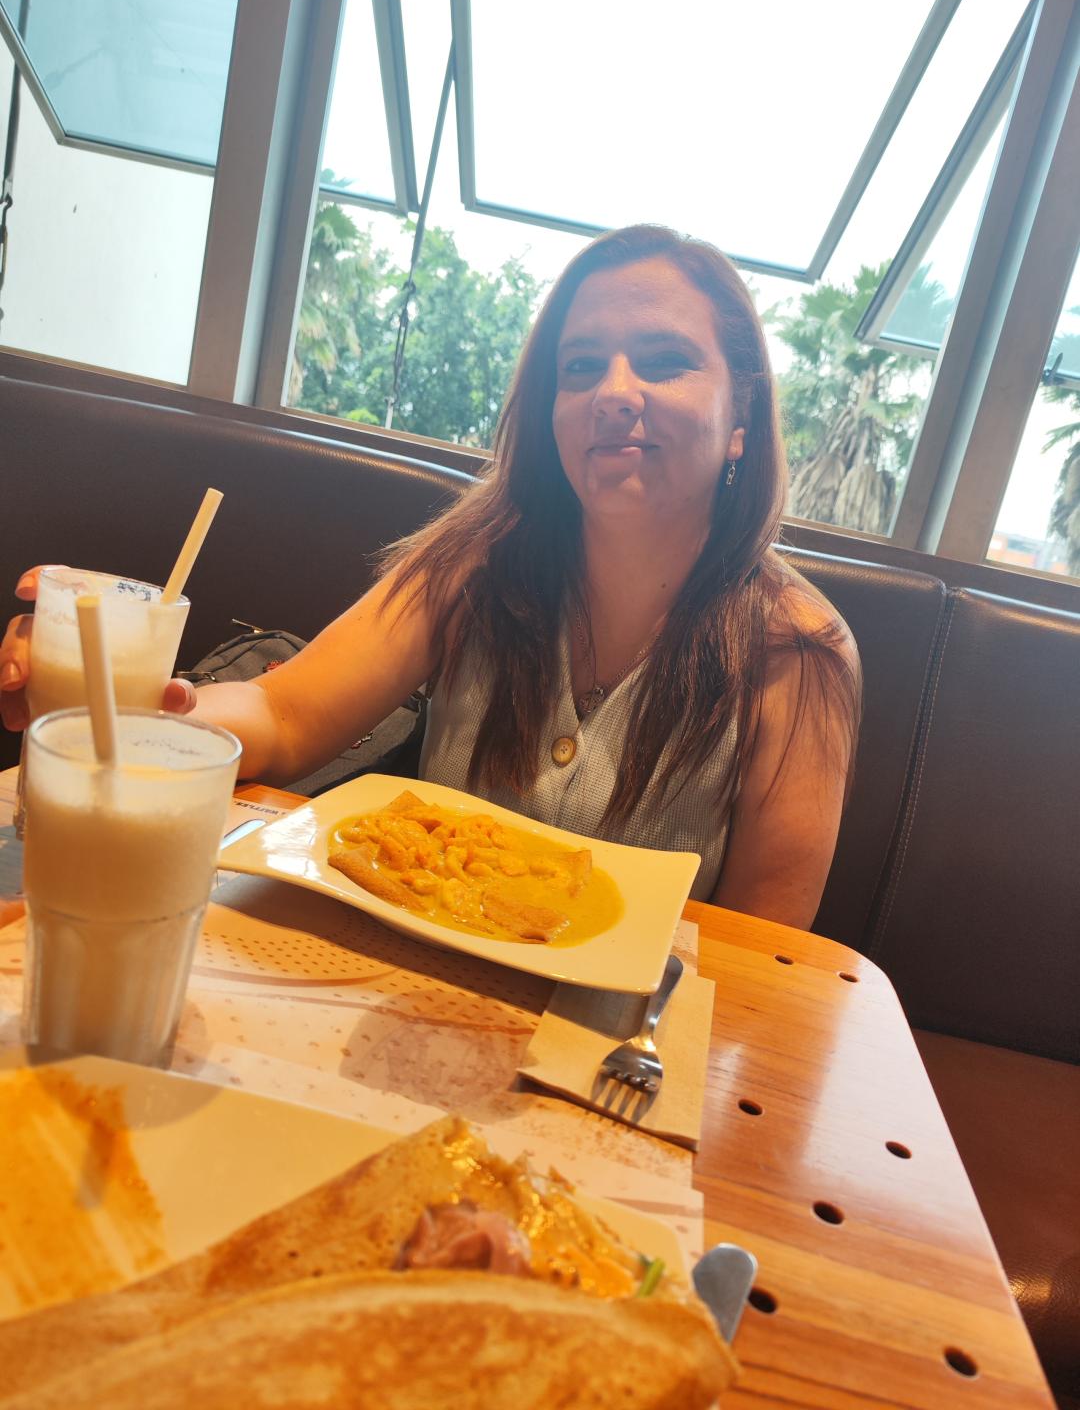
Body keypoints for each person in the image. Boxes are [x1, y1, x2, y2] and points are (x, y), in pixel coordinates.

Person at [1, 225, 860, 930]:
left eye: (665, 360)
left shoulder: (801, 652)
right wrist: (122, 701)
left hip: (610, 1050)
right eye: (580, 366)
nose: (614, 392)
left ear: (741, 416)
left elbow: (761, 961)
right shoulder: (472, 560)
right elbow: (285, 713)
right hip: (398, 994)